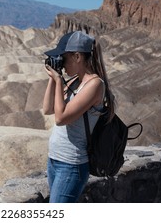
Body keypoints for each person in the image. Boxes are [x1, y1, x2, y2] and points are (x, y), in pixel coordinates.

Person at [43, 31, 115, 203]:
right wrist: (53, 79)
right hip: (54, 160)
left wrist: (59, 80)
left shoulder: (95, 84)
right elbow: (47, 109)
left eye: (63, 57)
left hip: (71, 165)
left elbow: (61, 118)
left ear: (77, 57)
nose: (61, 61)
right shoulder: (75, 81)